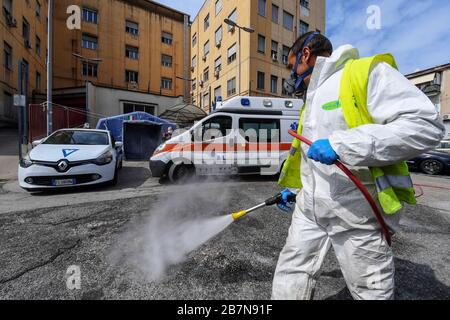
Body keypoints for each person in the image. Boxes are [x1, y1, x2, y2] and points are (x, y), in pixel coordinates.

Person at [272, 31, 445, 300]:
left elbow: (425, 126)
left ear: (304, 55)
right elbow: (311, 160)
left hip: (356, 214)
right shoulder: (312, 99)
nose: (290, 73)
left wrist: (342, 146)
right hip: (309, 211)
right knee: (291, 271)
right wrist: (298, 192)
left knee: (370, 291)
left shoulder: (363, 72)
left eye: (290, 63)